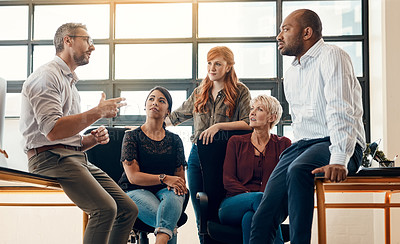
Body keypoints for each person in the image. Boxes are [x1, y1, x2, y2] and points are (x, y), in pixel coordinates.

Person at [249, 9, 366, 244]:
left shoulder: (333, 56)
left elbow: (341, 109)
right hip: (302, 146)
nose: (278, 36)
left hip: (337, 143)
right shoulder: (292, 73)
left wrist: (340, 158)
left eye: (285, 29)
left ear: (307, 32)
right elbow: (301, 124)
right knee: (263, 215)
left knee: (298, 169)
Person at [19, 23, 138, 244]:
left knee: (128, 209)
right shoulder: (47, 77)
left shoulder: (70, 84)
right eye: (87, 40)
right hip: (49, 158)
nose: (92, 47)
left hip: (71, 157)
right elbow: (53, 131)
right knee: (105, 209)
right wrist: (97, 112)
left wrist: (90, 140)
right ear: (67, 40)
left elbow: (66, 139)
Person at [166, 46, 252, 243]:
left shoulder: (240, 92)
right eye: (209, 63)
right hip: (197, 156)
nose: (212, 68)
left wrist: (219, 126)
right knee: (201, 213)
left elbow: (249, 123)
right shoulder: (200, 92)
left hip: (225, 158)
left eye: (218, 64)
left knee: (219, 210)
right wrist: (145, 127)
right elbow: (175, 117)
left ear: (229, 67)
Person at [119, 86, 187, 244]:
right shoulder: (131, 137)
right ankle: (166, 233)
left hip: (167, 193)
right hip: (135, 190)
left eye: (161, 100)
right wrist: (164, 178)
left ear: (168, 111)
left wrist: (172, 183)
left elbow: (179, 182)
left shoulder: (175, 140)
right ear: (145, 106)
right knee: (169, 220)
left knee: (177, 194)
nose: (155, 103)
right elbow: (133, 177)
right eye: (151, 99)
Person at [219, 95, 291, 244]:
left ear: (272, 117)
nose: (252, 112)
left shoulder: (283, 144)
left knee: (250, 218)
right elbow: (228, 180)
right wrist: (251, 196)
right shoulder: (236, 142)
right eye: (252, 108)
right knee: (259, 199)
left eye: (259, 109)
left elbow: (284, 180)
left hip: (268, 205)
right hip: (232, 204)